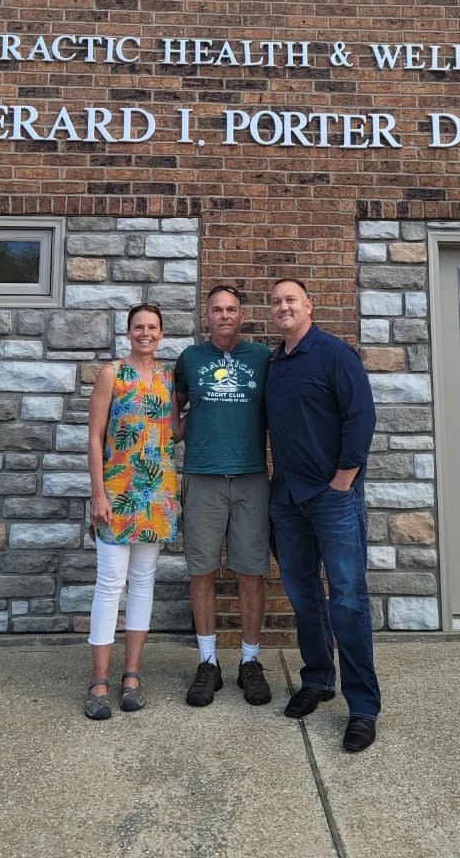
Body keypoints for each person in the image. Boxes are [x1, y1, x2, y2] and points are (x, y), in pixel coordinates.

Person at [265, 278, 381, 753]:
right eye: (276, 302)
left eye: (291, 299)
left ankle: (363, 708)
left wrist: (344, 478)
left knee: (348, 598)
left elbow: (362, 416)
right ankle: (317, 679)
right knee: (304, 594)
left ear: (309, 306)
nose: (283, 307)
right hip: (287, 498)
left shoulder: (334, 353)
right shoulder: (275, 363)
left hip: (333, 497)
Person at [174, 285, 272, 707]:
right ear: (206, 317)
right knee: (202, 571)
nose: (225, 316)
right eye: (217, 310)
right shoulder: (189, 360)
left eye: (232, 309)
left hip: (252, 476)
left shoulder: (264, 358)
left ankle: (250, 662)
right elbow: (172, 416)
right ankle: (208, 662)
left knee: (252, 571)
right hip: (202, 475)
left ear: (242, 314)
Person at [85, 302, 178, 720]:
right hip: (118, 492)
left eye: (152, 327)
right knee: (110, 585)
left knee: (143, 583)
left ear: (161, 334)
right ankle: (99, 682)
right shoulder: (112, 374)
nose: (146, 333)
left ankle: (132, 676)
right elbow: (94, 437)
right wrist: (99, 493)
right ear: (128, 332)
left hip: (156, 494)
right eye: (139, 326)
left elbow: (172, 431)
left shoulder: (167, 378)